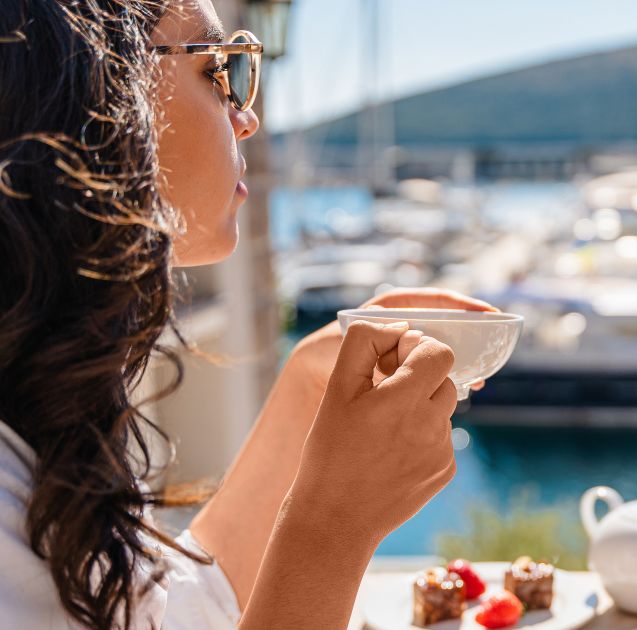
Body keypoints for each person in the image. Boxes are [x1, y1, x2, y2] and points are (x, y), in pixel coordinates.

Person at [0, 0, 492, 627]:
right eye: (215, 70)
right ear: (94, 99)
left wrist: (307, 390)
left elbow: (178, 612)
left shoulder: (43, 410)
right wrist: (333, 525)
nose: (247, 117)